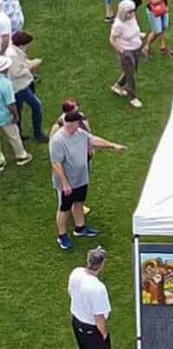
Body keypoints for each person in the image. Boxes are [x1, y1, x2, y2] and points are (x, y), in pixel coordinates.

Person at [50, 108, 125, 251]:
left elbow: (93, 140)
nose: (72, 127)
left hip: (81, 179)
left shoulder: (80, 134)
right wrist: (65, 184)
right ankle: (62, 235)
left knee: (79, 202)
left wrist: (112, 146)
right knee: (64, 208)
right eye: (70, 125)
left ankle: (80, 228)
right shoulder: (58, 140)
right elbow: (56, 164)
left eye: (75, 125)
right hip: (67, 182)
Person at [69, 246, 115, 349]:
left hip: (77, 320)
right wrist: (104, 334)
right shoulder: (98, 288)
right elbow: (99, 317)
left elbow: (70, 292)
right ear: (101, 265)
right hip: (91, 327)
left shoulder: (76, 273)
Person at [9, 31, 43, 142]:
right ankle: (38, 134)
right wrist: (31, 65)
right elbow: (16, 72)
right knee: (36, 106)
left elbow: (22, 62)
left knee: (18, 110)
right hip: (19, 87)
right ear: (22, 44)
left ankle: (19, 134)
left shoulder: (14, 50)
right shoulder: (13, 55)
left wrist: (30, 62)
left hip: (19, 86)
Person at [110, 0, 143, 108]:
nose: (132, 13)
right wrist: (121, 51)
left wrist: (139, 35)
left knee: (132, 70)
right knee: (130, 76)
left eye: (133, 11)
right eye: (130, 12)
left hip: (136, 47)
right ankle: (132, 97)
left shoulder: (132, 18)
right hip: (126, 51)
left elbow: (134, 29)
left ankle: (118, 86)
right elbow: (112, 39)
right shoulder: (118, 25)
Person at [0, 53, 31, 169]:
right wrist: (15, 115)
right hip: (5, 116)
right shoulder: (5, 84)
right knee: (14, 136)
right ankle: (21, 156)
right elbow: (11, 104)